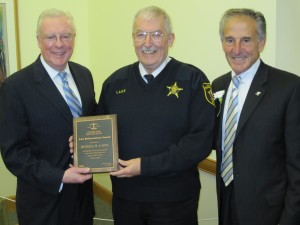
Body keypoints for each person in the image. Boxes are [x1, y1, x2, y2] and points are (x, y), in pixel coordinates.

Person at [96, 5, 215, 225]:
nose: (147, 43)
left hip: (175, 201)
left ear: (170, 39)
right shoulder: (114, 83)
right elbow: (99, 132)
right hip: (125, 198)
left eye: (156, 35)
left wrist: (146, 166)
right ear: (133, 38)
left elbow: (201, 141)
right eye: (140, 34)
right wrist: (82, 146)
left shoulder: (193, 80)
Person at [0, 9, 96, 225]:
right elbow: (14, 153)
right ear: (38, 40)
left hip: (83, 198)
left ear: (74, 38)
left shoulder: (84, 75)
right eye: (50, 37)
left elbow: (92, 124)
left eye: (65, 36)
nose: (59, 44)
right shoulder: (15, 87)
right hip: (43, 202)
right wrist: (59, 177)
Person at [212, 8, 300, 225]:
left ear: (261, 42)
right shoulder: (217, 86)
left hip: (268, 213)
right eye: (230, 40)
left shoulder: (289, 87)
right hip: (226, 205)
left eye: (246, 40)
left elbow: (297, 168)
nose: (237, 49)